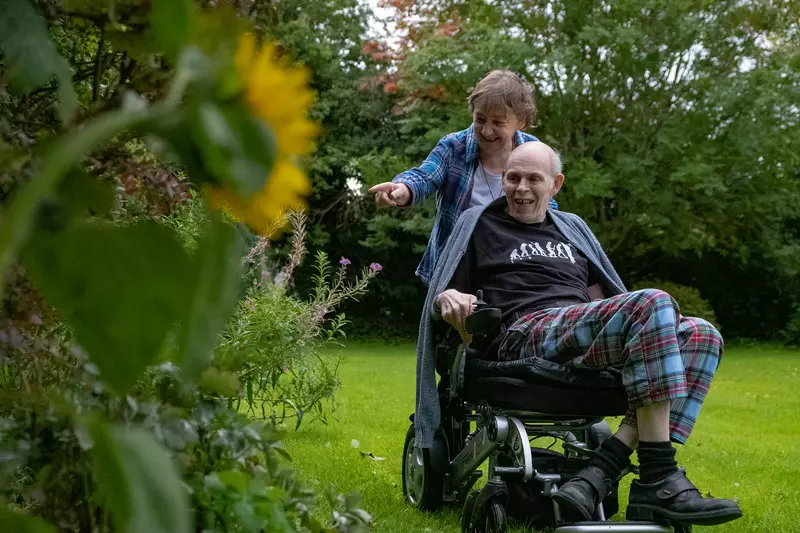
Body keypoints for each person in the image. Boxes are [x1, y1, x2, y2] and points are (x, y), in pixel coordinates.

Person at [414, 142, 742, 526]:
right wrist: (449, 297)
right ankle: (657, 476)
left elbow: (604, 299)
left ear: (556, 184)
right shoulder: (478, 223)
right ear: (502, 179)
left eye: (534, 179)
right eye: (513, 177)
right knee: (652, 303)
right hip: (522, 332)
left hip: (578, 328)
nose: (521, 187)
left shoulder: (573, 230)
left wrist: (654, 325)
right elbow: (446, 291)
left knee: (703, 336)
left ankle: (604, 468)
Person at [368, 70, 558, 285]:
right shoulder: (453, 147)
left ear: (520, 122)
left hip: (512, 270)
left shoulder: (535, 153)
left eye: (498, 122)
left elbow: (548, 208)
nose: (486, 130)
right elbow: (424, 177)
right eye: (480, 119)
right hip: (455, 270)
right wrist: (400, 190)